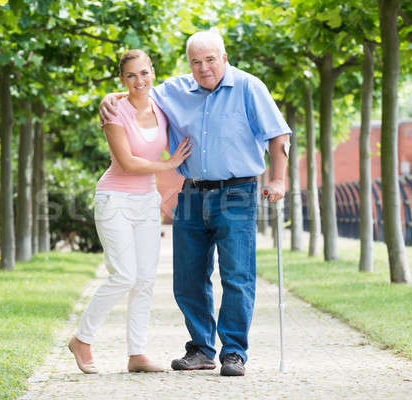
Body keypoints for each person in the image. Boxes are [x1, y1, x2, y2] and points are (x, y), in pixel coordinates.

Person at [100, 31, 290, 376]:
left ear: (225, 57)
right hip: (191, 192)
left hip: (237, 191)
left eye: (210, 60)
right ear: (189, 63)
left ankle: (233, 352)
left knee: (236, 275)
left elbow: (278, 134)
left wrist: (279, 179)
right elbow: (138, 91)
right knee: (187, 276)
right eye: (196, 61)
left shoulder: (249, 87)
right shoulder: (173, 90)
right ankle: (201, 349)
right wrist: (110, 98)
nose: (204, 68)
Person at [68, 49, 192, 374]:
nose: (139, 80)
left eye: (144, 73)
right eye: (131, 75)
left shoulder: (161, 106)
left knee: (146, 279)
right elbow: (126, 162)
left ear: (153, 72)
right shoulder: (115, 111)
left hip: (146, 201)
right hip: (115, 199)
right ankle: (82, 339)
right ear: (122, 80)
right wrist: (167, 165)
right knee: (124, 275)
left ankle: (137, 354)